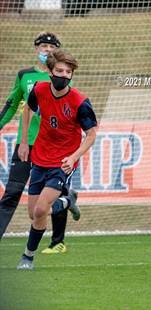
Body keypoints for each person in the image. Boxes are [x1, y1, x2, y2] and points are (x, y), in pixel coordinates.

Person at [16, 49, 97, 270]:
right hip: (40, 157)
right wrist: (24, 141)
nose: (63, 75)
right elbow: (27, 110)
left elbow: (91, 134)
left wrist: (74, 157)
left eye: (68, 72)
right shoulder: (40, 90)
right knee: (33, 213)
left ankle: (27, 257)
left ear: (72, 75)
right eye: (59, 70)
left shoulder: (80, 102)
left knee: (42, 210)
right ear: (50, 71)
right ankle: (68, 200)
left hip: (63, 162)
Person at [0, 32, 80, 254]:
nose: (46, 50)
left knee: (53, 191)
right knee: (13, 192)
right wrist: (22, 140)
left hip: (54, 146)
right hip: (26, 144)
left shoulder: (60, 77)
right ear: (36, 49)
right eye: (42, 46)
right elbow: (12, 105)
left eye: (51, 47)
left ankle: (57, 241)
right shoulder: (25, 76)